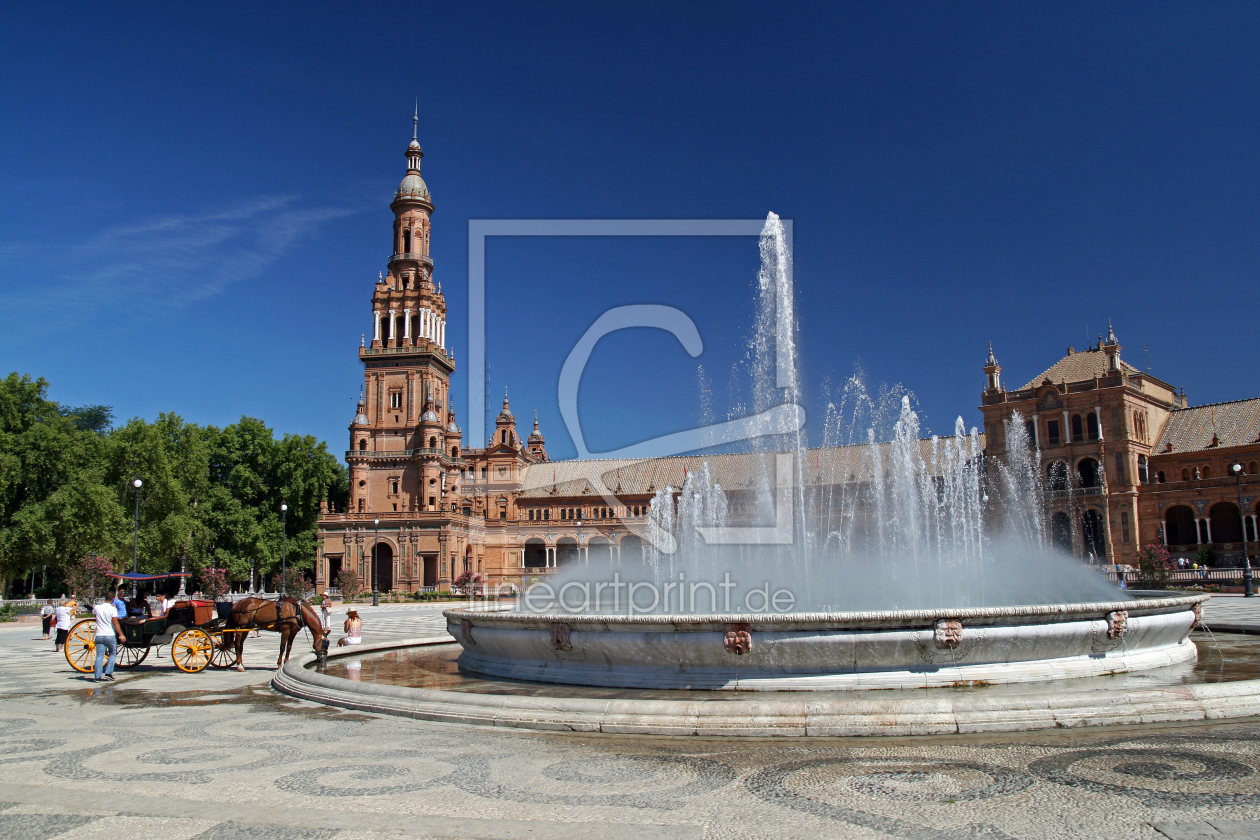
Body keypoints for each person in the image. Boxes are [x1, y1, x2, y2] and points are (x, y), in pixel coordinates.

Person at [91, 596, 124, 682]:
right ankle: (108, 673)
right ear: (113, 599)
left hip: (99, 635)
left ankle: (97, 677)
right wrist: (121, 634)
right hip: (110, 635)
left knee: (99, 656)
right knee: (112, 653)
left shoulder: (97, 607)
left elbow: (94, 613)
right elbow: (115, 623)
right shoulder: (113, 609)